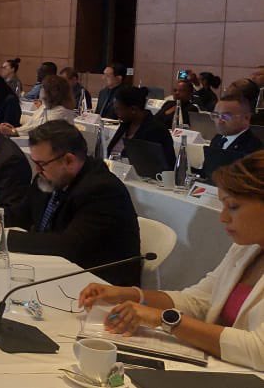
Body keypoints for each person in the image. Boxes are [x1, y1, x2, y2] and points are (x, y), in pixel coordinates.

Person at [77, 152, 264, 369]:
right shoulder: (246, 248)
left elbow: (258, 350)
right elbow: (198, 301)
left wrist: (166, 320)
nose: (223, 218)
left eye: (233, 206)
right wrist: (130, 295)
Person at [0, 120, 142, 286]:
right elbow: (19, 214)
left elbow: (68, 246)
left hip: (98, 286)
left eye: (41, 164)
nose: (37, 170)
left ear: (69, 161)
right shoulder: (49, 177)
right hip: (55, 272)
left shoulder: (102, 190)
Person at [107, 85, 176, 166]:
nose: (116, 112)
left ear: (133, 109)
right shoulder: (125, 125)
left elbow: (162, 165)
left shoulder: (157, 131)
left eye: (118, 109)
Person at [204, 93, 264, 179]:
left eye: (226, 116)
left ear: (246, 118)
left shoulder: (253, 148)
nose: (219, 121)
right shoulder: (217, 139)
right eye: (216, 115)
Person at [0, 75, 78, 137]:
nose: (41, 91)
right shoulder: (46, 107)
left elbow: (39, 129)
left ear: (51, 92)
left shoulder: (61, 112)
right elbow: (34, 123)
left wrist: (14, 131)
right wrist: (13, 128)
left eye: (43, 88)